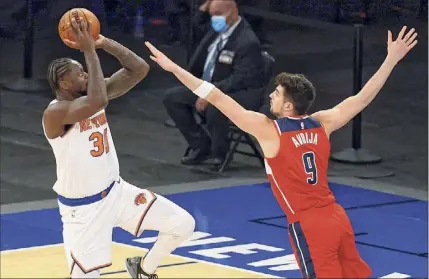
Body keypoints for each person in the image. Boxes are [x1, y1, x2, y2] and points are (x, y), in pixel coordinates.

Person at [145, 25, 418, 278]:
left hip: (310, 224)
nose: (271, 96)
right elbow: (362, 98)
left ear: (289, 106)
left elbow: (215, 96)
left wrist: (174, 69)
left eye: (277, 93)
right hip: (337, 218)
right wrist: (391, 59)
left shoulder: (269, 131)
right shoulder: (323, 122)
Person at [42, 18, 195, 279]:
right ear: (64, 84)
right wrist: (88, 50)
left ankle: (144, 270)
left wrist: (102, 42)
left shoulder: (91, 94)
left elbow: (139, 69)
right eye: (80, 74)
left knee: (183, 225)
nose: (87, 75)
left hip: (117, 193)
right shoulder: (56, 113)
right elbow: (98, 99)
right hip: (84, 210)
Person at [163, 0, 265, 169]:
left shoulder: (247, 41)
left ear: (232, 12)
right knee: (172, 98)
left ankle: (219, 153)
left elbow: (240, 79)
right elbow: (198, 22)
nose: (214, 19)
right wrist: (209, 4)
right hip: (210, 87)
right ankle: (201, 145)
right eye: (212, 15)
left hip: (240, 92)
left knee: (216, 106)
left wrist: (211, 93)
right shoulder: (217, 29)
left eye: (218, 14)